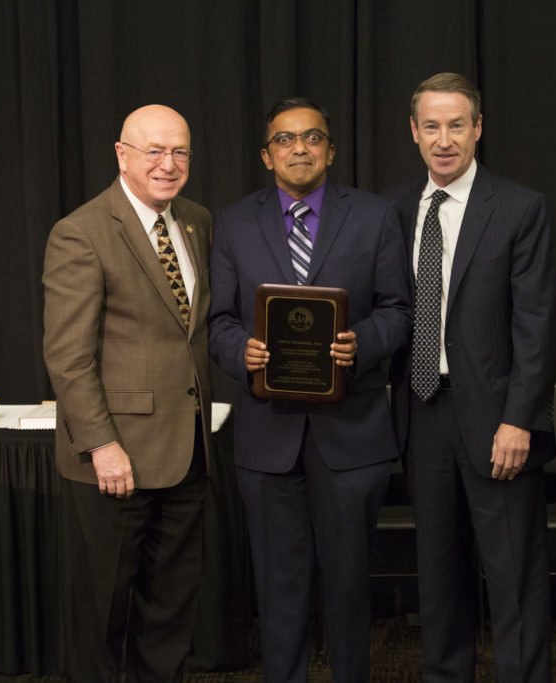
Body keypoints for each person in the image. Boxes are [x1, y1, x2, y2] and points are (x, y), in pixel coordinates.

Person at [208, 97, 410, 683]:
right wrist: (239, 352)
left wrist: (363, 344)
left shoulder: (374, 217)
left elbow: (399, 310)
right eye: (286, 140)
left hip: (352, 437)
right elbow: (219, 320)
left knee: (349, 590)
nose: (300, 148)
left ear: (331, 150)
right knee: (279, 590)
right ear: (267, 155)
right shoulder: (234, 221)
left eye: (313, 137)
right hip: (268, 440)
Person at [383, 72, 556, 682]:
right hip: (423, 412)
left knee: (512, 575)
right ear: (413, 132)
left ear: (478, 128)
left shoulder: (519, 207)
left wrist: (519, 419)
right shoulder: (397, 209)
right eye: (431, 126)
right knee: (438, 574)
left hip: (497, 419)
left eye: (457, 124)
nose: (444, 139)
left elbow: (538, 328)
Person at [42, 104, 212, 682]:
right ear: (122, 155)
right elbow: (68, 356)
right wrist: (101, 444)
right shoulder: (81, 232)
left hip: (187, 452)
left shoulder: (196, 221)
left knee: (168, 615)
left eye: (180, 151)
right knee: (99, 616)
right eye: (154, 151)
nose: (169, 164)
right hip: (114, 461)